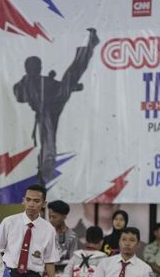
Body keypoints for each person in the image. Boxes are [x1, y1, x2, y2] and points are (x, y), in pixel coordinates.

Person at [13, 28, 99, 186]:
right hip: (45, 110)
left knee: (71, 75)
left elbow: (59, 86)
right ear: (28, 68)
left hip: (55, 101)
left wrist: (72, 87)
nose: (36, 69)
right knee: (47, 135)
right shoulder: (24, 83)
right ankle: (46, 165)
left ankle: (90, 46)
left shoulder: (43, 80)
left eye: (37, 66)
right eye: (33, 67)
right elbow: (19, 96)